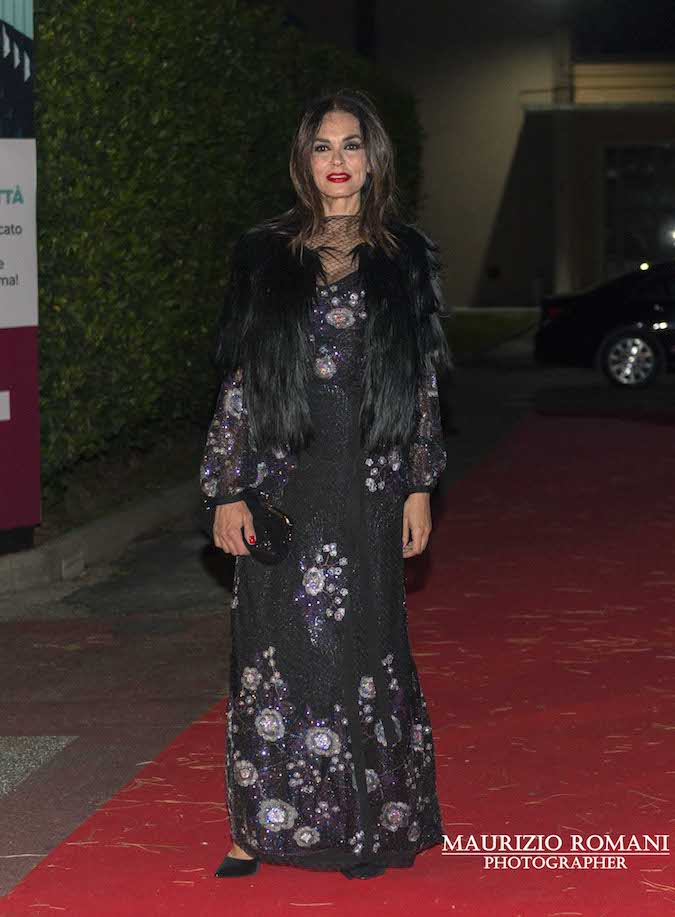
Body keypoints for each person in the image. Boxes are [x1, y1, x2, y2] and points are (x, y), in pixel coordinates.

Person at [199, 88, 452, 880]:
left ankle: (363, 821)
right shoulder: (263, 253)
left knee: (362, 641)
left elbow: (419, 379)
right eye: (322, 146)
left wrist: (418, 482)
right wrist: (226, 486)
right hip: (283, 470)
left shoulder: (405, 254)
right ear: (302, 160)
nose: (337, 161)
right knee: (270, 644)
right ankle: (258, 826)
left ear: (373, 159)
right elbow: (239, 379)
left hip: (368, 472)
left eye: (350, 145)